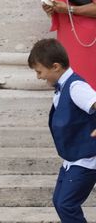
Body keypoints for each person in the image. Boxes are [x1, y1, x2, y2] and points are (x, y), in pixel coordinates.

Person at [28, 38, 96, 223]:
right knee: (60, 201)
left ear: (55, 67)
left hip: (86, 159)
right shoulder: (63, 87)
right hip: (72, 158)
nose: (39, 77)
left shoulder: (76, 87)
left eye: (39, 71)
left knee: (67, 204)